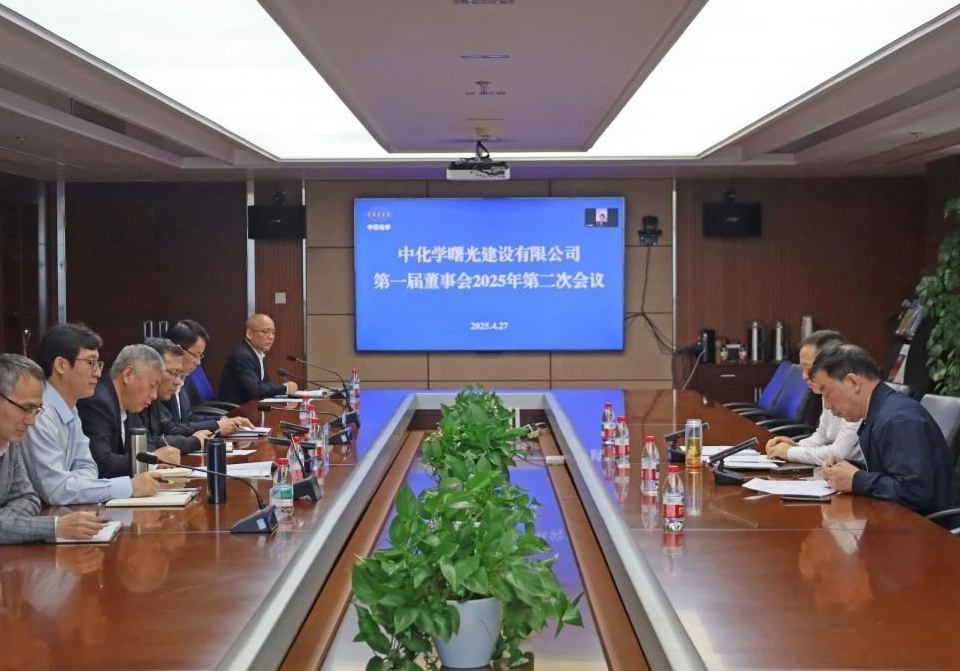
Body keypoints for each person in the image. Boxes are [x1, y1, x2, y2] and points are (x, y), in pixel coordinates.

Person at [19, 324, 166, 505]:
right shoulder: (38, 414)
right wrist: (127, 487)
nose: (97, 372)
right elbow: (55, 489)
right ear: (61, 365)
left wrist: (74, 485)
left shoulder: (71, 408)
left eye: (98, 364)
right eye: (90, 363)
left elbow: (89, 467)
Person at [811, 344, 960, 521]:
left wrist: (857, 480)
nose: (827, 405)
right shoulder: (880, 411)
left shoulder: (898, 420)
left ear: (853, 382)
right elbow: (891, 472)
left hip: (930, 530)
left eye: (826, 393)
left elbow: (914, 492)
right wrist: (848, 469)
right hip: (899, 521)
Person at [0, 354, 101, 543]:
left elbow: (28, 498)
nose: (31, 422)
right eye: (26, 408)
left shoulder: (9, 443)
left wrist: (7, 524)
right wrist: (53, 527)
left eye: (35, 410)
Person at [77, 344, 180, 478]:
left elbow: (147, 443)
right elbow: (102, 463)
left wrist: (157, 457)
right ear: (128, 375)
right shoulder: (98, 403)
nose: (154, 395)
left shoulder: (129, 404)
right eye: (152, 386)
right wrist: (153, 458)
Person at [765, 330, 863, 465]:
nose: (804, 376)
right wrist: (796, 446)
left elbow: (840, 454)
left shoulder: (855, 397)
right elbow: (822, 436)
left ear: (833, 364)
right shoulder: (827, 391)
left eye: (809, 369)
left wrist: (789, 452)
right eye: (802, 368)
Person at [163, 320, 252, 434]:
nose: (198, 362)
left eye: (200, 356)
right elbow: (171, 429)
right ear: (177, 350)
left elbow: (188, 418)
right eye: (196, 355)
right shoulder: (162, 383)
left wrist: (224, 420)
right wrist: (217, 426)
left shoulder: (184, 378)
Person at [137, 338, 214, 455]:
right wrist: (194, 441)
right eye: (172, 373)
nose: (178, 382)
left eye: (179, 374)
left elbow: (167, 430)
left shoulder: (155, 399)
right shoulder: (133, 400)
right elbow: (148, 444)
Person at [218, 314, 297, 404]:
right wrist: (285, 388)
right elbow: (255, 389)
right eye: (265, 331)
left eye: (273, 332)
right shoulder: (242, 356)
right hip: (236, 409)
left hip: (250, 406)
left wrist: (284, 388)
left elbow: (266, 383)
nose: (271, 337)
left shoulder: (257, 354)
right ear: (249, 334)